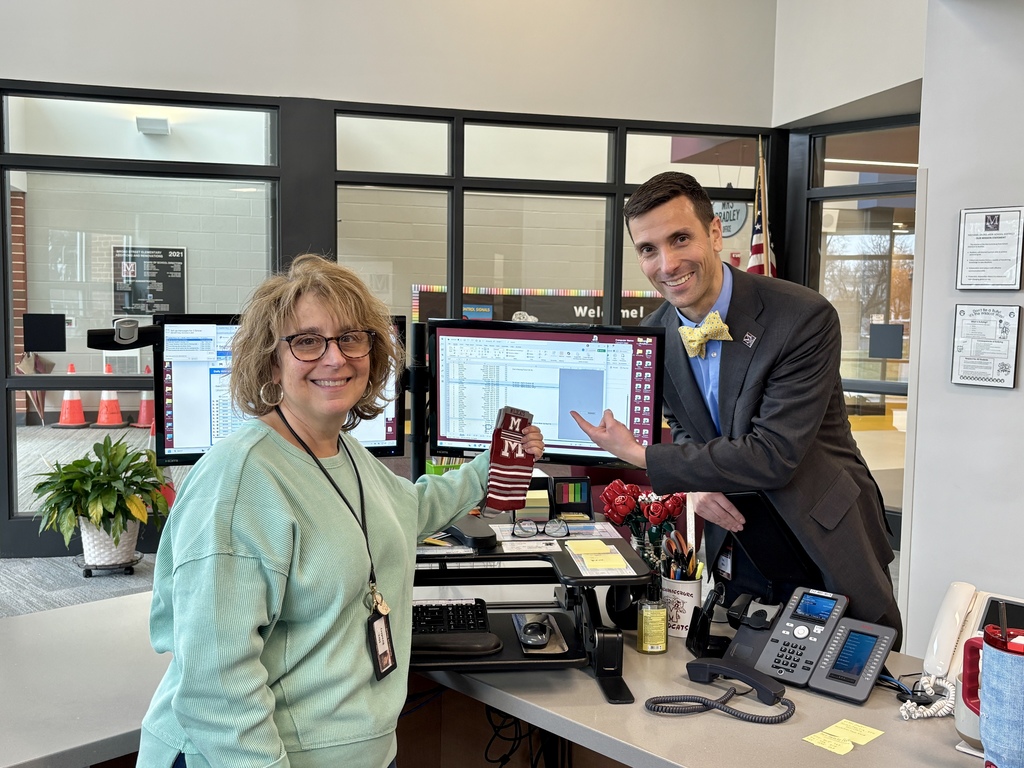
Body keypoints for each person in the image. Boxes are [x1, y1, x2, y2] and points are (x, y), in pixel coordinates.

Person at [138, 254, 544, 768]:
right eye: (307, 341)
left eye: (352, 338)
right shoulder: (238, 481)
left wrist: (493, 466)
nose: (336, 358)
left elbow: (406, 510)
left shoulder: (344, 452)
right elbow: (217, 687)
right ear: (270, 360)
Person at [571, 171, 901, 644]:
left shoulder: (803, 318)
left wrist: (645, 457)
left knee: (855, 675)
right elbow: (684, 427)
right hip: (738, 535)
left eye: (680, 238)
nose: (667, 263)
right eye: (648, 249)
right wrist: (696, 487)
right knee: (745, 676)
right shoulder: (654, 333)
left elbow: (773, 454)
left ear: (715, 233)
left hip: (823, 530)